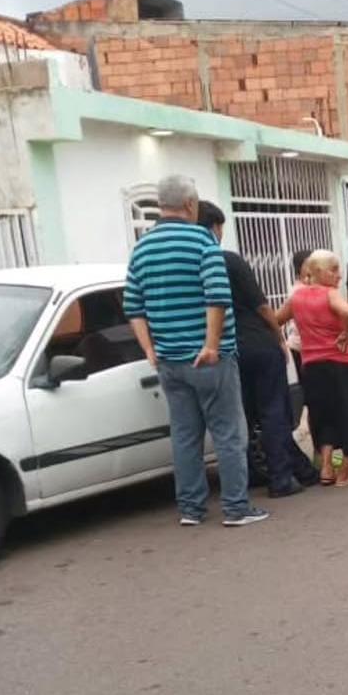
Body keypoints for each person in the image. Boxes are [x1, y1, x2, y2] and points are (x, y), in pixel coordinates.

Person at [124, 175, 267, 527]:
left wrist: (150, 350)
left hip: (169, 360)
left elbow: (133, 306)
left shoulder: (141, 248)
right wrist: (211, 346)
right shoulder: (203, 240)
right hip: (209, 360)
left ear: (161, 205)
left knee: (185, 435)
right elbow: (217, 296)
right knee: (229, 433)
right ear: (190, 204)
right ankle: (236, 508)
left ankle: (190, 508)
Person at [196, 202, 318, 497]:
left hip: (224, 349)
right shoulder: (228, 260)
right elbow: (261, 305)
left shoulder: (190, 266)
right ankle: (282, 478)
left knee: (244, 416)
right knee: (274, 412)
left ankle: (255, 473)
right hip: (257, 344)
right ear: (215, 227)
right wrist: (278, 337)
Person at [275, 250, 348, 487]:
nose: (339, 275)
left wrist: (280, 342)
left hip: (312, 366)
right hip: (341, 364)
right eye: (334, 269)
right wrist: (347, 333)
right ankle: (344, 474)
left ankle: (326, 468)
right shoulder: (330, 294)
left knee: (323, 416)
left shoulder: (297, 297)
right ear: (318, 272)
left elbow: (275, 319)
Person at [285, 248, 311, 379]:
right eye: (308, 264)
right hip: (299, 345)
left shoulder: (312, 287)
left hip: (310, 346)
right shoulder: (298, 290)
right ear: (299, 268)